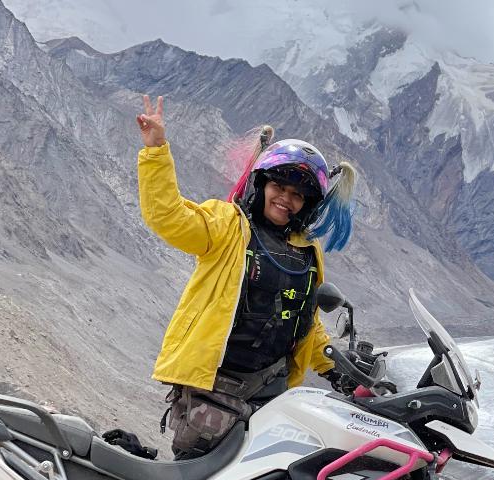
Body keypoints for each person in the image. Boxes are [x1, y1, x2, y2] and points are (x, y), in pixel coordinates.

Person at [135, 94, 357, 459]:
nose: (286, 198)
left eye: (298, 195)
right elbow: (169, 217)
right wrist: (157, 149)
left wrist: (337, 366)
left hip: (272, 393)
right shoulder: (227, 226)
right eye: (279, 187)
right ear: (261, 184)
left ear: (310, 204)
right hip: (214, 389)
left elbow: (304, 321)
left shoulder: (307, 253)